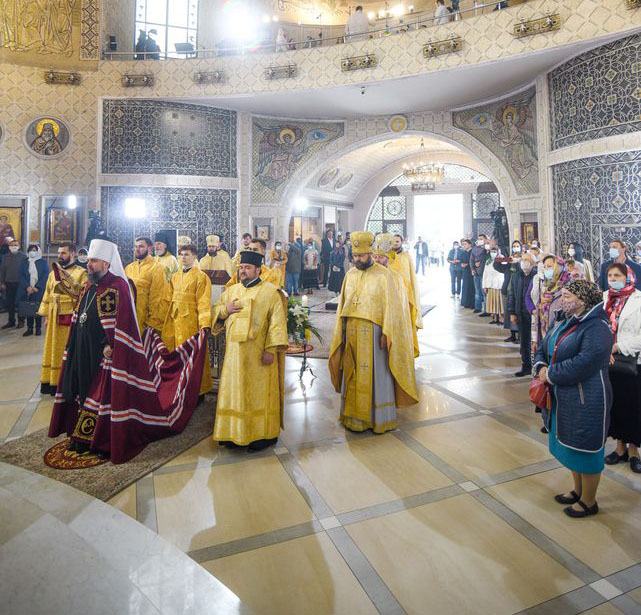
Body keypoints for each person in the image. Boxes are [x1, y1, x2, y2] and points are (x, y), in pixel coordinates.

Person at [49, 238, 208, 462]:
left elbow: (122, 322)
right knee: (81, 390)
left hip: (105, 352)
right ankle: (80, 435)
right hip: (83, 347)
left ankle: (97, 438)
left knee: (98, 395)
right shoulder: (90, 284)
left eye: (94, 261)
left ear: (106, 263)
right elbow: (82, 313)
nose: (89, 265)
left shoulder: (118, 285)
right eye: (89, 261)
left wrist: (110, 344)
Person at [534, 279, 613, 518]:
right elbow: (545, 344)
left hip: (587, 397)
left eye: (568, 296)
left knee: (585, 447)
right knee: (570, 443)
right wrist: (540, 365)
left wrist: (551, 374)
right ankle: (578, 490)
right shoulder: (566, 319)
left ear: (583, 300)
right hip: (563, 394)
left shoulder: (597, 326)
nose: (562, 299)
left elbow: (586, 361)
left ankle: (589, 501)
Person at [329, 231, 418, 434]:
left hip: (375, 333)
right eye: (355, 256)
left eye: (361, 256)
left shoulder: (385, 276)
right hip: (351, 332)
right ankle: (352, 417)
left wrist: (388, 333)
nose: (357, 260)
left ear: (370, 253)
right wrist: (341, 330)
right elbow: (343, 304)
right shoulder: (350, 275)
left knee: (376, 375)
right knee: (352, 373)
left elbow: (392, 308)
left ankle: (378, 418)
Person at [212, 249, 288, 451]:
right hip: (234, 355)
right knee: (234, 392)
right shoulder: (232, 291)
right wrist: (225, 311)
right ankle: (232, 433)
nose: (243, 271)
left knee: (258, 394)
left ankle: (262, 436)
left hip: (258, 355)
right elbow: (216, 311)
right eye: (241, 267)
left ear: (258, 269)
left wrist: (271, 349)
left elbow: (278, 324)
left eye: (247, 268)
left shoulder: (271, 292)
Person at [154, 244, 212, 398]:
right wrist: (157, 322)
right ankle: (176, 388)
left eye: (187, 254)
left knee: (191, 355)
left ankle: (196, 391)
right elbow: (166, 300)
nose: (184, 258)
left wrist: (204, 325)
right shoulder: (175, 276)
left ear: (194, 256)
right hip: (173, 320)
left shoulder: (201, 277)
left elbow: (203, 301)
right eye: (181, 255)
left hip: (191, 322)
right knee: (174, 354)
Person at [603, 264, 641, 473]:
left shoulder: (639, 299)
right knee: (614, 404)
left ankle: (634, 450)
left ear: (628, 277)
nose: (613, 278)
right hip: (608, 360)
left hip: (632, 361)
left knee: (632, 405)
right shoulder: (606, 297)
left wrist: (618, 346)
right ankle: (619, 448)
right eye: (610, 275)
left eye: (617, 275)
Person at [37, 243, 88, 395]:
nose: (60, 256)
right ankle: (52, 382)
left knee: (67, 350)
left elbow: (83, 295)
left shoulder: (81, 272)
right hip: (53, 316)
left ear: (72, 254)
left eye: (63, 253)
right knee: (52, 349)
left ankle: (67, 383)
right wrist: (46, 316)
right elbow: (47, 293)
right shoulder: (54, 273)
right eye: (59, 253)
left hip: (69, 317)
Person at [373, 233, 419, 358]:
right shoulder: (373, 271)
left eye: (397, 241)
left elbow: (408, 278)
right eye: (375, 257)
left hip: (400, 297)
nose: (377, 260)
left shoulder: (405, 257)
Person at [125, 236, 165, 334]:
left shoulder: (157, 268)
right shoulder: (129, 268)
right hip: (128, 317)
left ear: (150, 248)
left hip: (144, 321)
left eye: (141, 246)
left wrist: (153, 322)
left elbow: (157, 297)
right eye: (135, 247)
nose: (137, 249)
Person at [532, 256, 568, 356]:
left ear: (559, 268)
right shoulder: (544, 288)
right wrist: (534, 338)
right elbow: (538, 314)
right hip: (543, 337)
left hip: (560, 341)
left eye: (550, 266)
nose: (547, 269)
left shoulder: (567, 290)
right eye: (545, 267)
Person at [389, 234, 423, 338]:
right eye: (393, 241)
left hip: (405, 291)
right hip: (390, 291)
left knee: (404, 316)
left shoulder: (406, 256)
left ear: (402, 242)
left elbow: (411, 275)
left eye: (397, 241)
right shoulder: (387, 256)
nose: (395, 243)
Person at [508, 253, 537, 377]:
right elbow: (512, 295)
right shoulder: (516, 276)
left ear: (533, 263)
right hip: (520, 313)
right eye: (522, 260)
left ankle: (537, 366)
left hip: (534, 315)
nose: (524, 262)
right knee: (524, 341)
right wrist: (512, 312)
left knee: (535, 341)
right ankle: (526, 366)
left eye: (527, 260)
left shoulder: (537, 276)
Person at [16, 244, 48, 337]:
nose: (32, 252)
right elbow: (21, 275)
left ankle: (38, 328)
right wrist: (27, 287)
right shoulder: (25, 262)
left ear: (38, 251)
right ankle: (29, 328)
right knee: (28, 308)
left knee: (37, 309)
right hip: (27, 290)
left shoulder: (43, 262)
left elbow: (45, 276)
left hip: (38, 290)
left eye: (34, 250)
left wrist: (37, 287)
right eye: (31, 250)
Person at [0, 238, 26, 330]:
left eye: (15, 245)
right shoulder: (5, 256)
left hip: (20, 284)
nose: (13, 247)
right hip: (8, 283)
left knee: (20, 303)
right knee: (9, 303)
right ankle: (11, 321)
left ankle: (21, 321)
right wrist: (2, 282)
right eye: (11, 245)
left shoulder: (23, 256)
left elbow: (26, 271)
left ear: (18, 246)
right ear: (8, 247)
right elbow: (2, 270)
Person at [482, 246, 504, 325]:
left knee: (499, 302)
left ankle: (501, 319)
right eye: (492, 252)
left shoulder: (501, 258)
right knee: (492, 302)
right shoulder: (488, 261)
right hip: (490, 284)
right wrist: (484, 285)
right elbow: (485, 273)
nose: (493, 253)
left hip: (499, 284)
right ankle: (495, 318)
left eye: (494, 252)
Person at [470, 234, 488, 314]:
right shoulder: (475, 248)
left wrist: (479, 262)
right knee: (477, 291)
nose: (480, 240)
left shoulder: (488, 248)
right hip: (476, 272)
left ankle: (486, 310)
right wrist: (473, 268)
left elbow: (487, 257)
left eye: (481, 239)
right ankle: (478, 307)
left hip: (484, 272)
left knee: (484, 291)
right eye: (479, 239)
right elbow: (471, 259)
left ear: (485, 239)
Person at [460, 239, 475, 309]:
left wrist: (468, 265)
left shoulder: (473, 252)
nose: (464, 245)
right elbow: (461, 260)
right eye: (463, 244)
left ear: (470, 245)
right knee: (465, 287)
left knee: (471, 288)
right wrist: (462, 264)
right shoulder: (463, 252)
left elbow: (474, 261)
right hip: (465, 272)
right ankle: (465, 303)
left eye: (465, 244)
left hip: (471, 271)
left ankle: (472, 304)